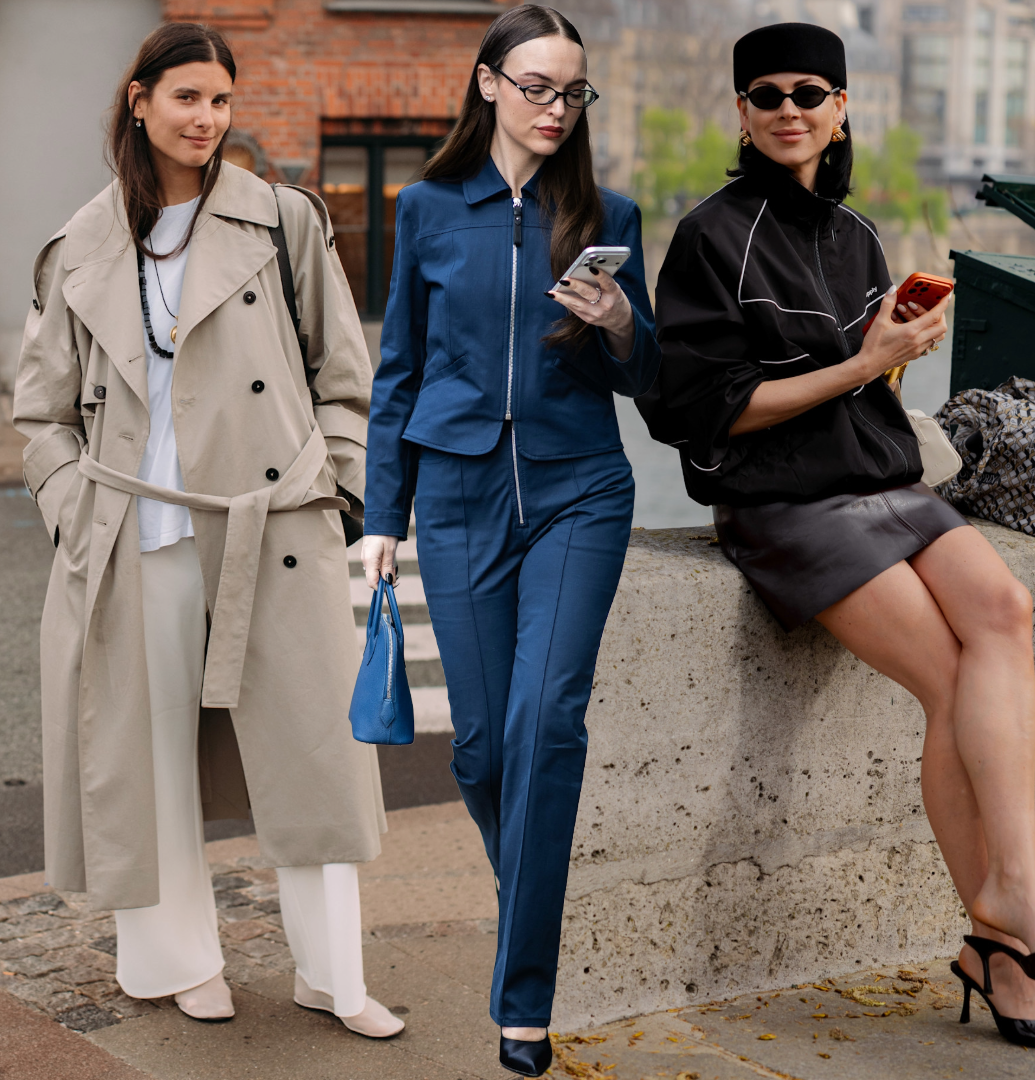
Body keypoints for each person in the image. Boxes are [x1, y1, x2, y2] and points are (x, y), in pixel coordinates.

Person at [639, 21, 1035, 1053]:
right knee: (946, 679)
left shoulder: (857, 235)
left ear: (842, 107)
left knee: (1005, 611)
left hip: (879, 472)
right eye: (766, 94)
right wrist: (861, 361)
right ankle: (1010, 940)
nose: (789, 108)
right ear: (742, 115)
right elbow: (701, 409)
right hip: (786, 501)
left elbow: (861, 376)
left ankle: (1007, 898)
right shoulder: (711, 233)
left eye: (809, 92)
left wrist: (896, 352)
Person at [14, 22, 402, 1038]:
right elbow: (41, 413)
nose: (206, 119)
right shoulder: (81, 245)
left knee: (314, 756)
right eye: (186, 97)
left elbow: (344, 378)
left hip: (272, 528)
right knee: (145, 768)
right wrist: (71, 512)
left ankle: (334, 976)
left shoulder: (280, 223)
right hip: (130, 543)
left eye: (221, 101)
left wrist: (339, 493)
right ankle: (176, 964)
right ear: (138, 101)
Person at [361, 5, 661, 1074]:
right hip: (456, 494)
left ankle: (522, 999)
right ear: (488, 84)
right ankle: (530, 891)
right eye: (536, 86)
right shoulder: (431, 208)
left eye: (571, 91)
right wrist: (379, 517)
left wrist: (623, 322)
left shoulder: (608, 210)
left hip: (581, 489)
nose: (554, 108)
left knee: (548, 723)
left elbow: (650, 382)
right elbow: (398, 369)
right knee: (484, 748)